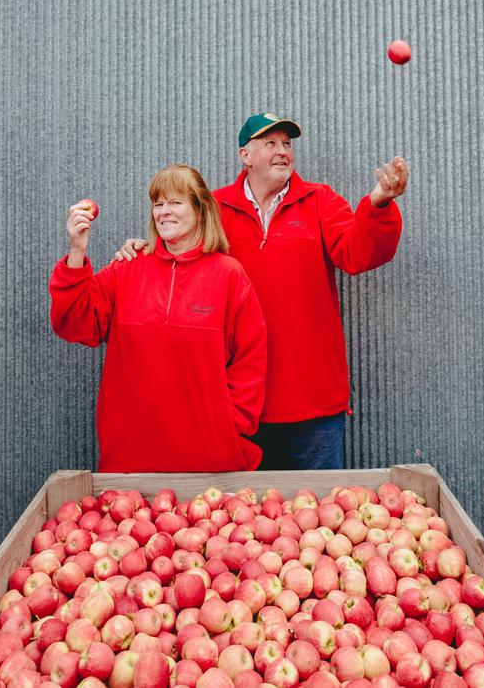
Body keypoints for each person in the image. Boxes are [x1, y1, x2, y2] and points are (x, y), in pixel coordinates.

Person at [115, 114, 408, 469]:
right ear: (245, 155)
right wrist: (142, 250)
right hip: (235, 404)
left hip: (312, 403)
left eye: (287, 144)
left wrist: (377, 206)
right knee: (242, 520)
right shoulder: (215, 209)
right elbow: (176, 258)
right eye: (270, 144)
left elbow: (357, 253)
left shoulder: (320, 201)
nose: (283, 151)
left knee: (319, 519)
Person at [50, 164, 267, 473]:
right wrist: (77, 250)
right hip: (130, 457)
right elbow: (74, 324)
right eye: (158, 203)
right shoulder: (127, 268)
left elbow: (251, 358)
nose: (164, 211)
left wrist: (229, 424)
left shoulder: (228, 274)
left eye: (175, 202)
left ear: (200, 210)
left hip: (208, 461)